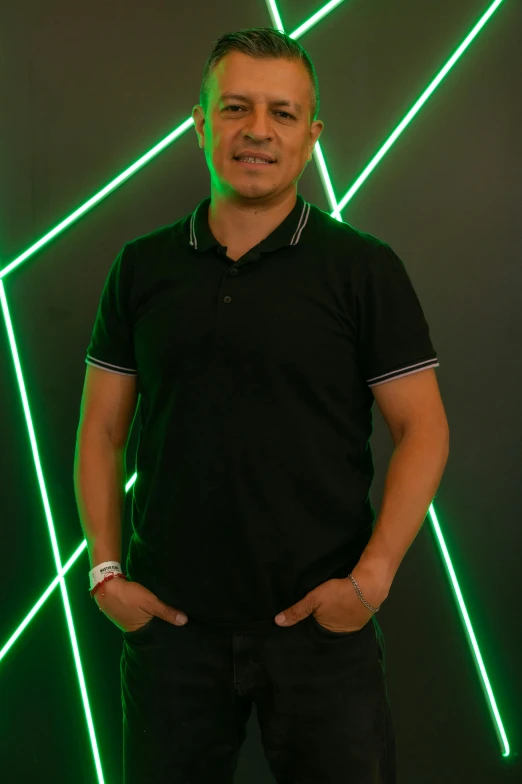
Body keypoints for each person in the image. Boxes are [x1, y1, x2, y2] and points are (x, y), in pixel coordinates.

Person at [74, 26, 449, 784]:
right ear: (200, 123)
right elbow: (102, 429)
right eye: (236, 108)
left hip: (321, 629)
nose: (257, 131)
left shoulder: (363, 269)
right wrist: (107, 576)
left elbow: (424, 430)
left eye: (282, 113)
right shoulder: (141, 267)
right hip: (171, 633)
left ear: (311, 136)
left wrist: (368, 583)